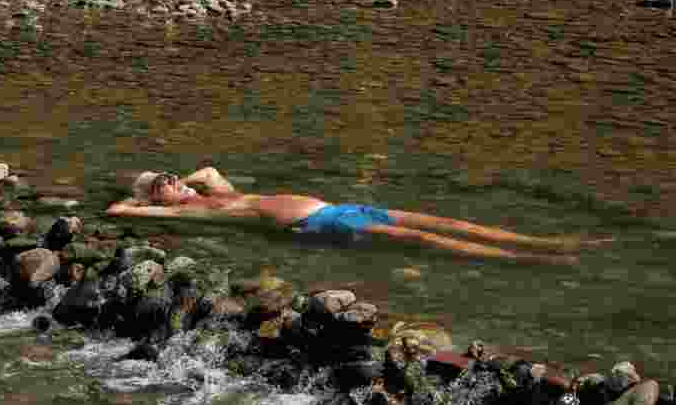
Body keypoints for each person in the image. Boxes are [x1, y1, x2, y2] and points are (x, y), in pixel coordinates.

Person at [106, 167, 607, 264]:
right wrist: (147, 200)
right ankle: (523, 262)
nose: (170, 181)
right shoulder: (205, 215)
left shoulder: (214, 191)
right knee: (421, 241)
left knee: (442, 222)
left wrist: (180, 185)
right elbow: (118, 209)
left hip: (336, 207)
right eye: (160, 186)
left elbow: (209, 169)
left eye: (169, 175)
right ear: (154, 200)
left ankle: (548, 242)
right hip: (319, 224)